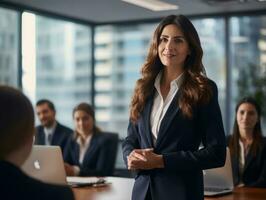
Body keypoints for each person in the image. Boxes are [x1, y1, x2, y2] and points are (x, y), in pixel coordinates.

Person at [122, 15, 226, 200]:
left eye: (178, 40)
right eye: (164, 39)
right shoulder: (143, 87)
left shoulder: (203, 89)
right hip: (142, 192)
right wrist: (130, 156)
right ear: (157, 44)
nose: (169, 46)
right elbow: (130, 138)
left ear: (189, 49)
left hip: (181, 193)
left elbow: (216, 153)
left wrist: (162, 161)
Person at [0, 85, 74, 200]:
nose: (42, 116)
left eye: (45, 112)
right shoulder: (57, 196)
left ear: (54, 112)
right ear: (28, 136)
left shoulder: (69, 134)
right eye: (38, 113)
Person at [64, 102, 118, 176]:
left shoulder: (104, 141)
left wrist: (76, 171)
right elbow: (65, 165)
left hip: (97, 186)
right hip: (74, 184)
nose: (81, 123)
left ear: (93, 119)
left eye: (85, 118)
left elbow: (102, 172)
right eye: (77, 119)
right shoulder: (72, 140)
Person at [228, 97, 266, 188]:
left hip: (256, 194)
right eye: (242, 112)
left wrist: (244, 189)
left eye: (251, 113)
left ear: (258, 118)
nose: (245, 117)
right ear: (236, 116)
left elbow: (264, 179)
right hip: (228, 193)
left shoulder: (264, 144)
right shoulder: (225, 142)